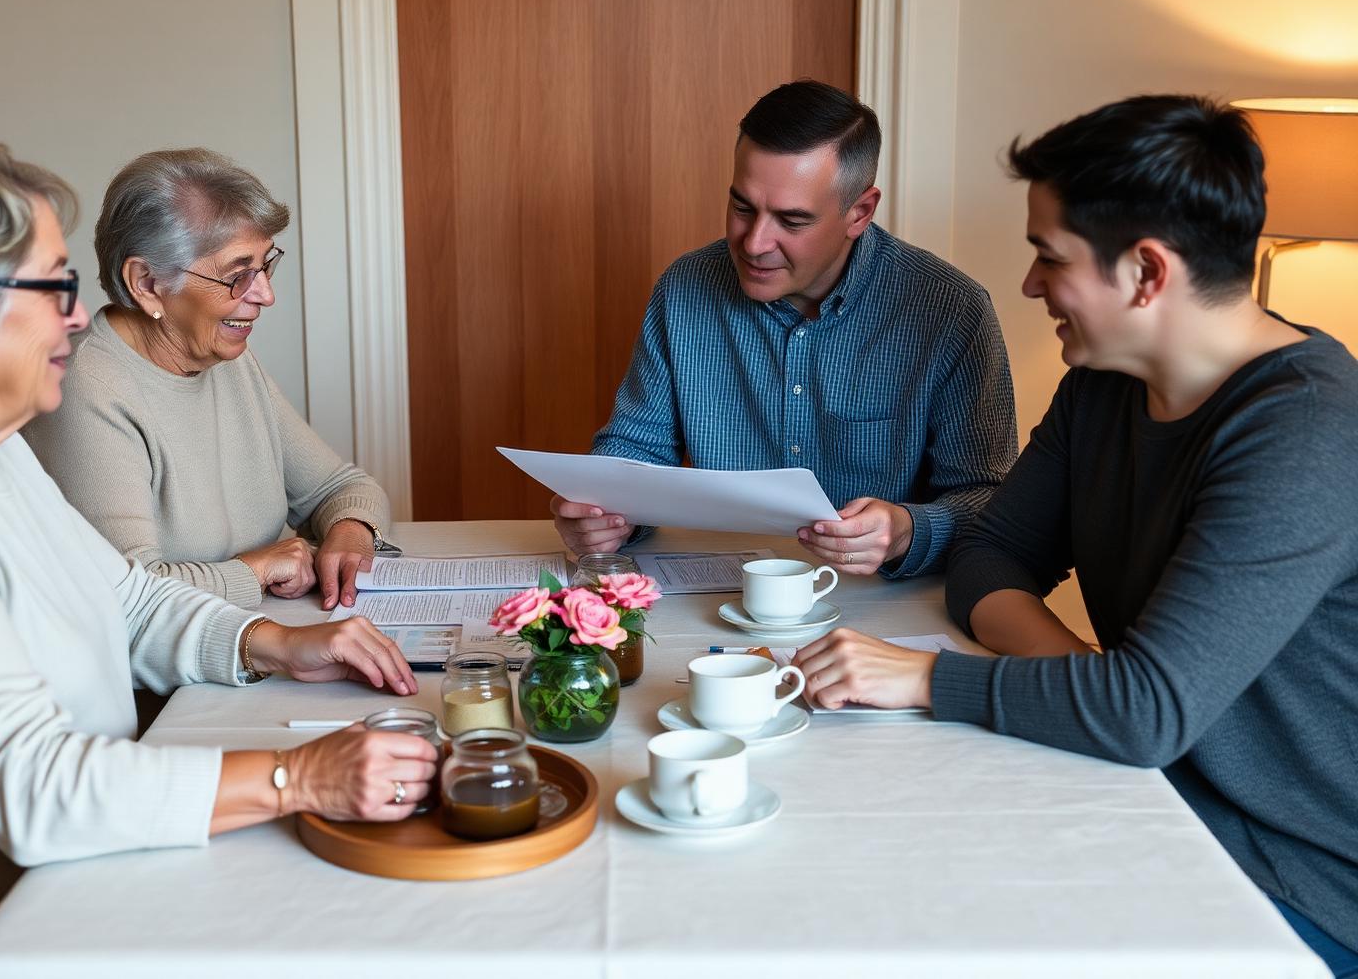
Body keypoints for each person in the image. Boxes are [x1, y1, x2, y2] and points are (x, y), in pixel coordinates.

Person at [0, 136, 432, 978]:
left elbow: (126, 596)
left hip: (56, 884)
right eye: (53, 289)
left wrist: (279, 642)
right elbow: (34, 789)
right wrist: (298, 779)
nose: (79, 316)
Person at [795, 95, 1358, 975]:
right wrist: (1090, 681)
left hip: (1292, 876)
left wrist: (928, 678)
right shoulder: (1107, 380)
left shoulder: (1307, 430)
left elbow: (1146, 714)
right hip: (1141, 789)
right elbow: (989, 557)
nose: (1027, 284)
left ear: (1145, 273)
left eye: (1047, 258)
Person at [551, 80, 1016, 578]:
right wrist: (604, 514)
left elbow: (989, 500)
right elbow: (635, 448)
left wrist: (906, 529)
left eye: (792, 221)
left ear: (859, 211)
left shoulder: (950, 310)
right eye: (742, 207)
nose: (754, 243)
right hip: (718, 594)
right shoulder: (684, 289)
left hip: (888, 609)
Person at [24, 148, 388, 612]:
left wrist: (351, 533)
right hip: (164, 683)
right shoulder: (86, 388)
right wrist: (254, 571)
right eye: (238, 274)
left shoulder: (226, 358)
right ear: (147, 283)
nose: (266, 295)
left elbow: (340, 487)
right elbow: (127, 595)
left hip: (256, 639)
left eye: (265, 265)